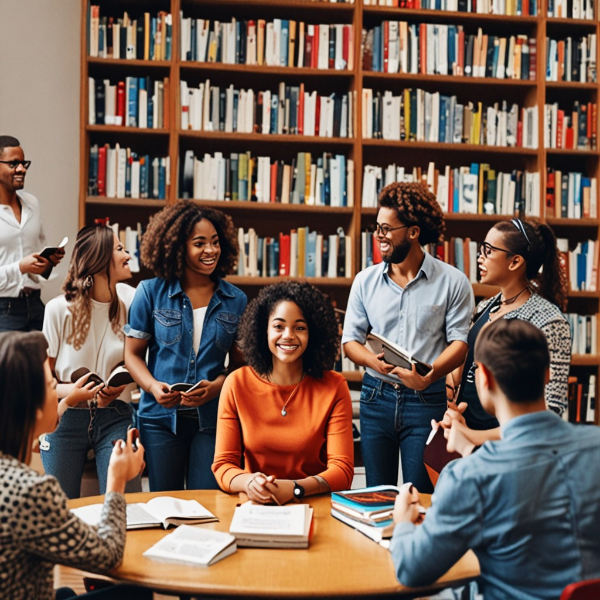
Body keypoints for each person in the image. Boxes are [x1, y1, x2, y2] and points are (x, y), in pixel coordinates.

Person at [390, 318, 600, 600]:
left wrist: (403, 521)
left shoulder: (470, 476)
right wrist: (470, 453)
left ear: (485, 378)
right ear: (547, 374)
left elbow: (411, 569)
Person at [342, 182, 474, 493]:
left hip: (427, 401)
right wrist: (371, 360)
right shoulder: (365, 281)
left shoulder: (453, 282)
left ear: (413, 232)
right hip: (376, 396)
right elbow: (350, 341)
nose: (379, 236)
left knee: (422, 496)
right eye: (377, 227)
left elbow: (459, 344)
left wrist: (429, 377)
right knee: (376, 496)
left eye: (387, 229)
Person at [0, 331, 149, 600]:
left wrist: (68, 401)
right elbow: (108, 555)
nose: (57, 393)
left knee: (65, 591)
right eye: (50, 386)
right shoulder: (31, 492)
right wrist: (116, 481)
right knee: (135, 594)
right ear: (31, 408)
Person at [124, 201, 247, 491]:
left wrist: (217, 385)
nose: (211, 251)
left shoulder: (236, 300)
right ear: (178, 247)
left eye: (215, 243)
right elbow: (131, 356)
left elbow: (241, 367)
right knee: (164, 504)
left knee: (207, 504)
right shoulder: (150, 292)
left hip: (213, 419)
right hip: (159, 419)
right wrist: (153, 387)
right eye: (200, 243)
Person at [212, 281, 354, 504]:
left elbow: (342, 471)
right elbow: (223, 465)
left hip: (313, 503)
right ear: (263, 330)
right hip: (253, 504)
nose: (288, 335)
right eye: (278, 326)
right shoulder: (237, 383)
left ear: (313, 333)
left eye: (299, 327)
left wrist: (296, 488)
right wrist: (249, 482)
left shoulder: (334, 386)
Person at [445, 218, 571, 445]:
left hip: (508, 449)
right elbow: (467, 365)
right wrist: (449, 390)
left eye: (488, 250)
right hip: (464, 440)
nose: (479, 257)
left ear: (515, 262)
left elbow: (550, 411)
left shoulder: (548, 321)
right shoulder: (485, 306)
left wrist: (474, 437)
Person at [40, 225, 139, 499]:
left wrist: (121, 382)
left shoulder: (134, 301)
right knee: (59, 509)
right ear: (99, 260)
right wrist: (73, 393)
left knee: (123, 502)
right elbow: (44, 379)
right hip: (66, 416)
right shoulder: (58, 309)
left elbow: (143, 360)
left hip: (116, 416)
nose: (127, 255)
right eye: (120, 249)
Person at [0, 135, 65, 332]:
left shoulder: (33, 204)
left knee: (45, 362)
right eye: (13, 164)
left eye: (23, 163)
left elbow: (37, 251)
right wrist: (20, 267)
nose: (22, 169)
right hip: (4, 310)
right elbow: (22, 264)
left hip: (35, 306)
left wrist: (47, 262)